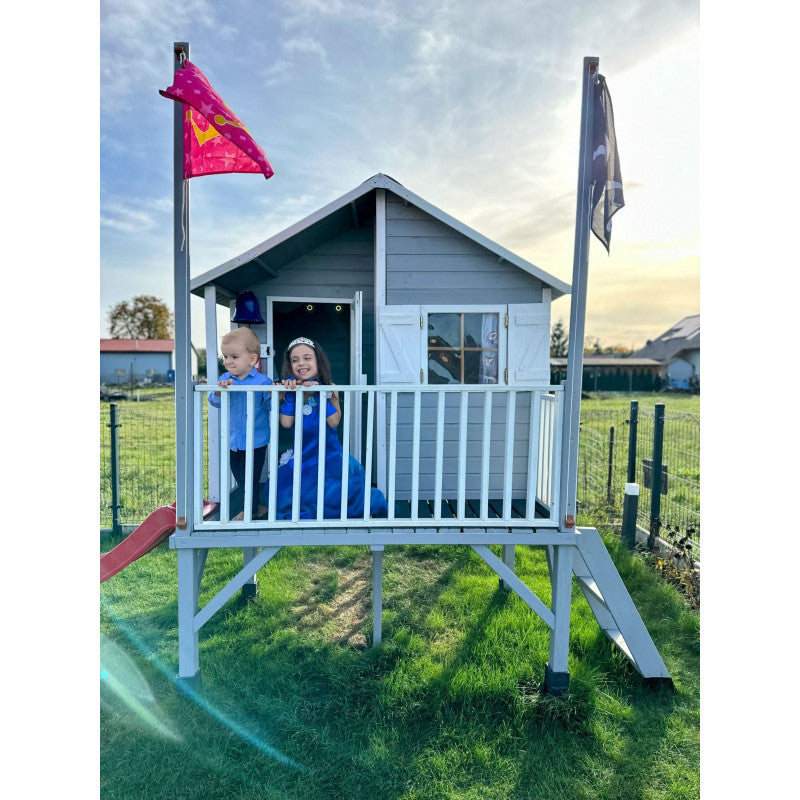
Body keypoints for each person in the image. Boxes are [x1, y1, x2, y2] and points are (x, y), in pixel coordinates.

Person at [265, 336, 388, 520]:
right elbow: (286, 423)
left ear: (317, 361)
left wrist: (321, 393)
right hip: (302, 458)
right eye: (295, 360)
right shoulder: (291, 389)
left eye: (307, 358)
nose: (301, 364)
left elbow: (334, 422)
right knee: (280, 491)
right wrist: (289, 395)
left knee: (333, 495)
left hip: (329, 458)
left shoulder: (329, 388)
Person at [208, 327, 272, 519]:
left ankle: (249, 511)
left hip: (256, 440)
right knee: (240, 477)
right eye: (225, 357)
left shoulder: (263, 382)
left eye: (234, 357)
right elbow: (214, 401)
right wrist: (220, 391)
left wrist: (274, 394)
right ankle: (256, 508)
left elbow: (270, 405)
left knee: (251, 478)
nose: (228, 361)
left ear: (252, 359)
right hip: (233, 440)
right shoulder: (224, 379)